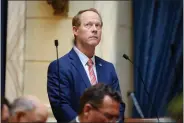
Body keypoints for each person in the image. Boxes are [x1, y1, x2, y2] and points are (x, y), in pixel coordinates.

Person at [47, 8, 125, 122]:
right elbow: (61, 107)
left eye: (98, 25)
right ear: (75, 30)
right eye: (88, 25)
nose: (94, 29)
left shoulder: (108, 68)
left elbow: (119, 105)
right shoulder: (60, 66)